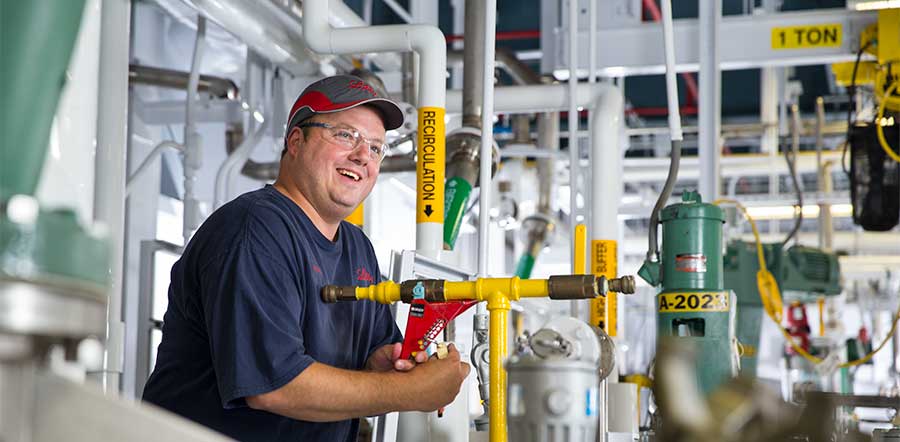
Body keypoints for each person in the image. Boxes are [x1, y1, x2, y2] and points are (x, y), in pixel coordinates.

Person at [142, 75, 470, 441]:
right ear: (296, 141)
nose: (363, 155)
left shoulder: (357, 247)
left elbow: (374, 351)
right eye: (346, 135)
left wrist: (386, 364)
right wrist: (412, 392)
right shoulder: (255, 230)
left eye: (376, 147)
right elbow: (274, 386)